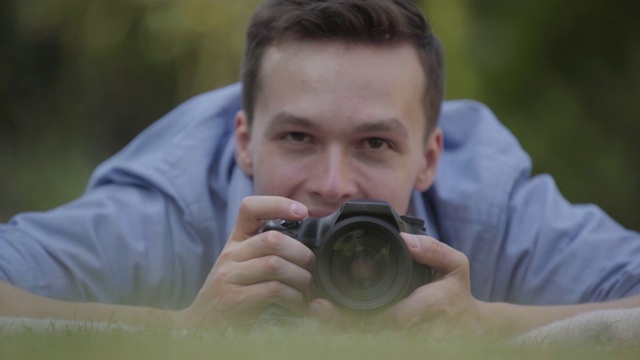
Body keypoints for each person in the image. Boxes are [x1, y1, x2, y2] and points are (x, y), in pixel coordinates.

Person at [1, 0, 639, 336]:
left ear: (431, 158)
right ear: (244, 143)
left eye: (375, 145)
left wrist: (488, 324)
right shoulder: (174, 204)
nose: (333, 186)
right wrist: (183, 331)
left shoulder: (487, 202)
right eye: (299, 136)